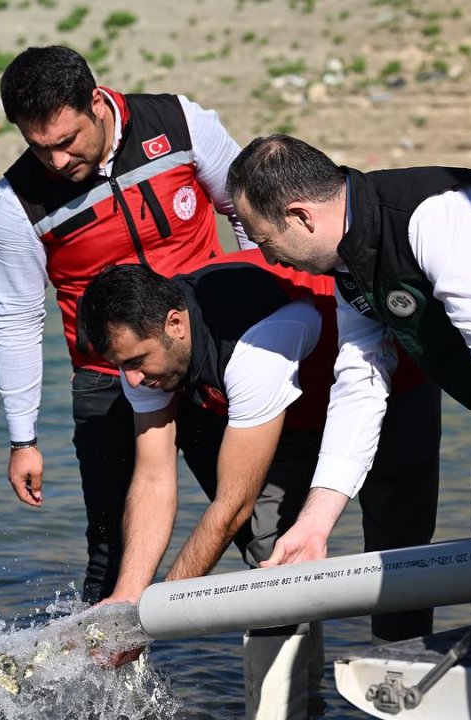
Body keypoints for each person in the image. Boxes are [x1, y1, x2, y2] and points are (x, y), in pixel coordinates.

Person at [0, 45, 248, 605]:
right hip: (108, 378)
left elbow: (248, 209)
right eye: (39, 148)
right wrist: (22, 438)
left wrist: (262, 313)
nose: (56, 162)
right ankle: (103, 689)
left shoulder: (179, 122)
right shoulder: (16, 202)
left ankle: (285, 688)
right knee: (112, 555)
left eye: (66, 142)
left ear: (96, 104)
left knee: (257, 528)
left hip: (206, 356)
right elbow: (16, 317)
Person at [224, 135, 471, 584]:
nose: (270, 258)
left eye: (265, 241)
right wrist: (315, 522)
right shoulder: (350, 257)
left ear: (301, 216)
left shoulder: (432, 217)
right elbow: (359, 384)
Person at [78, 251, 338, 720]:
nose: (133, 378)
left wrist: (154, 621)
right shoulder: (140, 352)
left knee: (395, 541)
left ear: (175, 324)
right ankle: (295, 706)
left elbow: (231, 506)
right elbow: (154, 478)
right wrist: (130, 596)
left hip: (373, 386)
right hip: (267, 406)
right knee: (272, 554)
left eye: (138, 361)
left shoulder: (256, 348)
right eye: (124, 366)